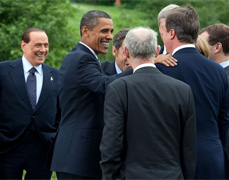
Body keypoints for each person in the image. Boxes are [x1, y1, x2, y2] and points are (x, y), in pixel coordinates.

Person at [100, 26, 196, 180]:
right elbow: (189, 148)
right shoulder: (183, 90)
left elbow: (111, 145)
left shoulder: (118, 89)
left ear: (126, 52)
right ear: (157, 51)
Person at [50, 10, 132, 179]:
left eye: (111, 31)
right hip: (77, 157)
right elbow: (106, 85)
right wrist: (144, 65)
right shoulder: (82, 58)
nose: (110, 36)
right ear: (85, 31)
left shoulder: (84, 57)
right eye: (104, 31)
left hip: (77, 157)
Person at [155, 6, 229, 179]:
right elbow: (224, 122)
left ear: (171, 34)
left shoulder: (161, 68)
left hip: (174, 161)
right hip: (212, 159)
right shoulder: (218, 71)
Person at [0, 28, 60, 179]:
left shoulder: (57, 76)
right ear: (23, 45)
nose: (43, 50)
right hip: (8, 148)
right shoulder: (3, 71)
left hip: (42, 150)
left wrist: (54, 137)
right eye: (38, 45)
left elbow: (61, 111)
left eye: (46, 45)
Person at [200, 23, 229, 175]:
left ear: (217, 47)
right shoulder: (214, 76)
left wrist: (219, 167)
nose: (198, 49)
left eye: (202, 44)